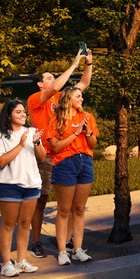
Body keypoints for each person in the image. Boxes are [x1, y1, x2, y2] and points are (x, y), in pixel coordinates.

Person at [24, 50, 92, 257]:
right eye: (48, 77)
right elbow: (55, 86)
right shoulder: (36, 99)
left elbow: (84, 84)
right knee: (42, 199)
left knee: (70, 204)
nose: (52, 79)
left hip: (67, 155)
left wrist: (88, 63)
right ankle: (36, 241)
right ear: (39, 83)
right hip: (45, 154)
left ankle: (71, 241)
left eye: (53, 76)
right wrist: (73, 64)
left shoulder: (62, 98)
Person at [0, 99, 45, 276]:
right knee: (8, 225)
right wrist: (20, 145)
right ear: (9, 115)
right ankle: (6, 263)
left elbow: (42, 158)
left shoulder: (31, 132)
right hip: (8, 186)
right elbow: (0, 161)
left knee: (24, 224)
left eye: (24, 112)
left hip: (31, 184)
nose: (23, 115)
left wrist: (36, 143)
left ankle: (21, 260)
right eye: (18, 112)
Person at [46, 86, 97, 268]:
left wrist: (88, 132)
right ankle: (62, 251)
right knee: (64, 210)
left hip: (85, 162)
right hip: (65, 164)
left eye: (81, 96)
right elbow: (56, 147)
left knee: (79, 209)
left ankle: (78, 249)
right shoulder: (56, 120)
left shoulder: (87, 117)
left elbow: (93, 144)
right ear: (68, 99)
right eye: (78, 96)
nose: (81, 99)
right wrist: (76, 133)